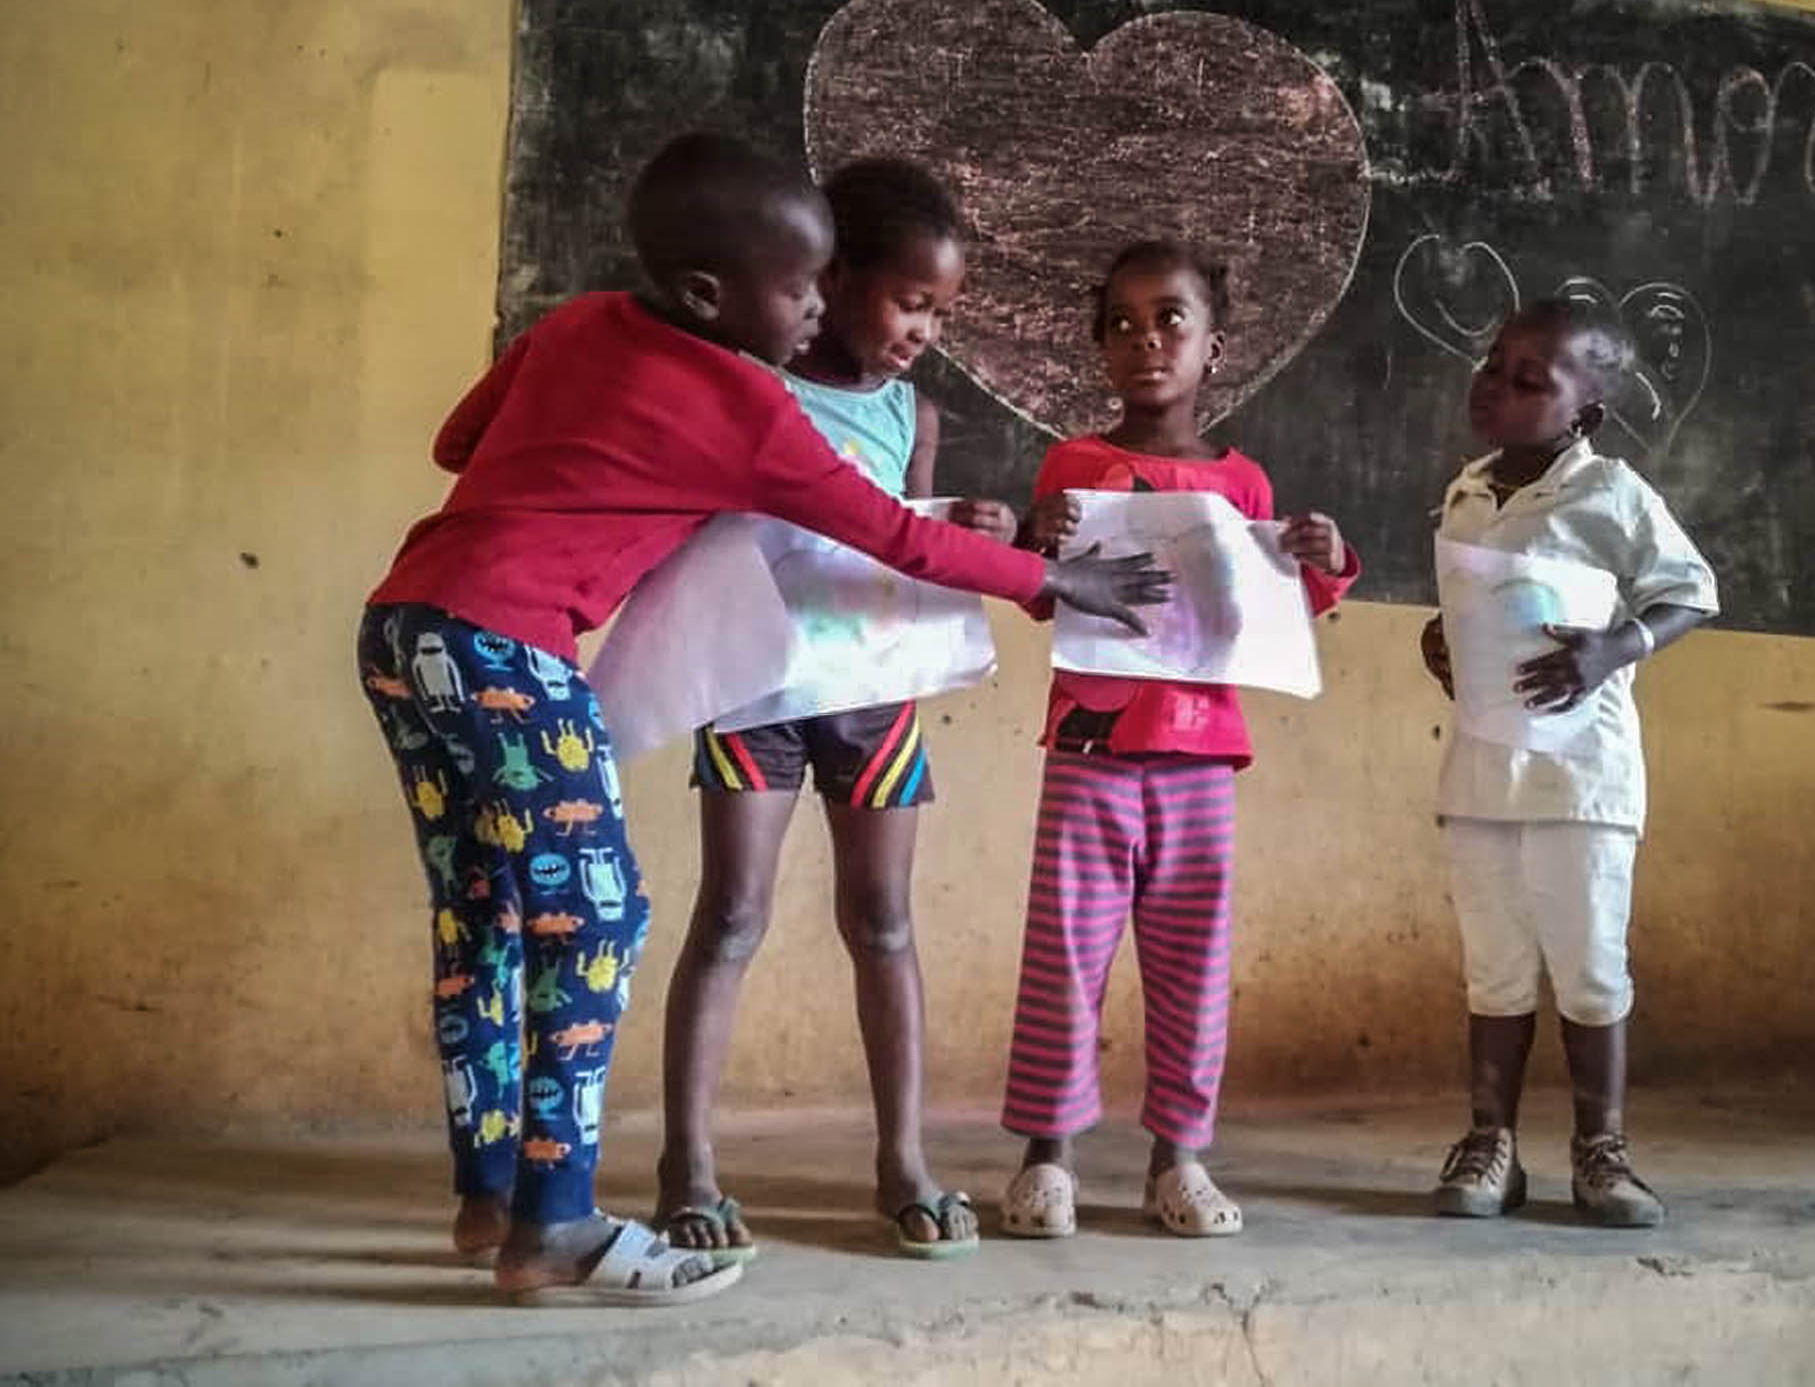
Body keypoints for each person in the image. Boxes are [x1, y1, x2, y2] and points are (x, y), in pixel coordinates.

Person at [356, 133, 1167, 1304]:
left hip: (403, 630)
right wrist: (1051, 580)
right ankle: (557, 1223)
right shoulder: (742, 401)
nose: (813, 308)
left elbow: (458, 443)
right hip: (505, 651)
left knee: (480, 911)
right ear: (707, 295)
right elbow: (894, 537)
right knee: (596, 919)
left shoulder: (578, 323)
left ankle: (488, 1198)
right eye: (797, 289)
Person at [656, 158, 1011, 1263]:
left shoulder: (912, 412)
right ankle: (686, 1163)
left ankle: (903, 1160)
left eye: (939, 312)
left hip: (872, 699)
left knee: (885, 921)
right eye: (910, 302)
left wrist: (974, 528)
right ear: (834, 274)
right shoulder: (746, 384)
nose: (923, 333)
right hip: (752, 688)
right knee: (730, 916)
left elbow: (909, 534)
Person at [996, 240, 1358, 1240]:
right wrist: (1034, 536)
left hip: (1200, 757)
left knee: (1192, 961)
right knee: (1064, 958)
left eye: (1169, 320)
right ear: (1099, 346)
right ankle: (1046, 1157)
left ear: (1214, 347)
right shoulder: (1073, 467)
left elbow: (1275, 610)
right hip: (1088, 754)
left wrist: (1322, 557)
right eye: (1120, 324)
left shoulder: (1244, 484)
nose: (1144, 340)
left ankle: (1179, 1158)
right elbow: (1039, 594)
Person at [1417, 298, 1717, 1228]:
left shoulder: (1612, 493)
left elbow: (1692, 591)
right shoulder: (1467, 493)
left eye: (1527, 380)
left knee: (1589, 968)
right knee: (1494, 969)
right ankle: (1490, 1143)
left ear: (1583, 412)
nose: (1494, 387)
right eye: (1491, 366)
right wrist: (1442, 639)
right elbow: (1483, 609)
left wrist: (1613, 649)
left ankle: (1601, 1149)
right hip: (1481, 773)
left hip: (1581, 778)